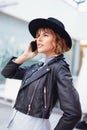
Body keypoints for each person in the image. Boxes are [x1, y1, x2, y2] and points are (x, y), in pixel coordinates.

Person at [1, 17, 82, 130]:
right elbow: (7, 73)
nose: (38, 39)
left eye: (45, 35)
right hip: (15, 122)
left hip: (33, 126)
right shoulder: (37, 66)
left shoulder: (59, 68)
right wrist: (25, 56)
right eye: (38, 35)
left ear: (58, 40)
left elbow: (73, 112)